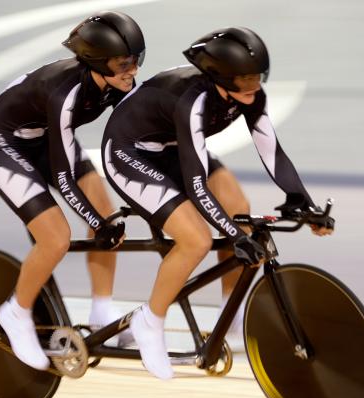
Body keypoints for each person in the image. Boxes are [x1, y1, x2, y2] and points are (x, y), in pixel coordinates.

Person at [101, 27, 333, 379]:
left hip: (170, 150)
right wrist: (232, 235)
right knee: (197, 239)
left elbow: (272, 152)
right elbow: (196, 184)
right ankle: (151, 319)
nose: (254, 85)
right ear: (220, 79)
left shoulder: (250, 95)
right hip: (129, 152)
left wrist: (303, 202)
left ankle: (232, 313)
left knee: (239, 206)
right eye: (244, 79)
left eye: (258, 76)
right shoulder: (192, 101)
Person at [0, 11, 146, 370]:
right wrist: (96, 224)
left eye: (135, 59)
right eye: (122, 63)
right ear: (97, 63)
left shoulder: (115, 82)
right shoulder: (65, 92)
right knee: (56, 238)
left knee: (105, 206)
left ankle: (102, 311)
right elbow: (64, 177)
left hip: (41, 139)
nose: (131, 69)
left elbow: (135, 136)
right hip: (3, 143)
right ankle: (16, 312)